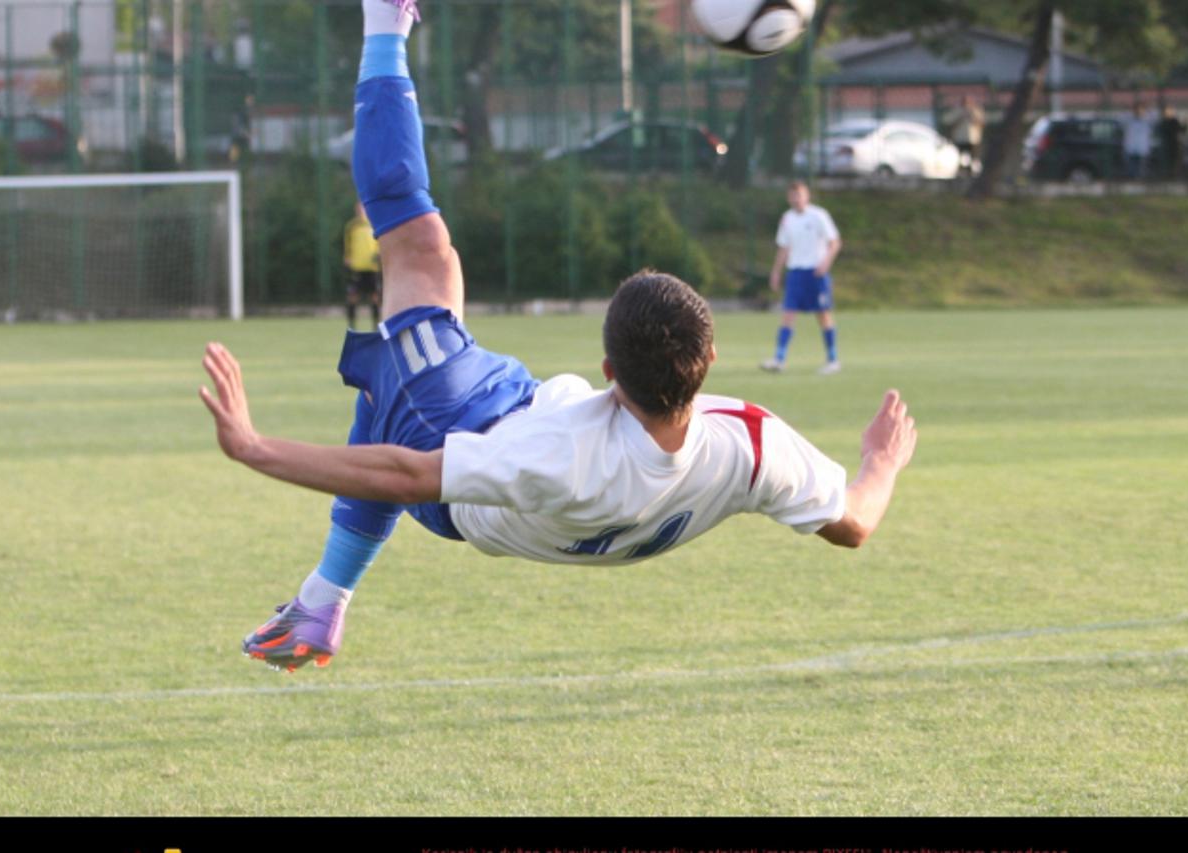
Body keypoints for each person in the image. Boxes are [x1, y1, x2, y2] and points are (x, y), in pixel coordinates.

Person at [199, 0, 918, 673]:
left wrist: (254, 447)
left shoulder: (565, 454)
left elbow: (408, 475)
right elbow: (854, 522)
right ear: (708, 360)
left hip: (468, 467)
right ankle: (321, 599)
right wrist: (880, 463)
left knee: (417, 252)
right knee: (412, 338)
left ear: (608, 369)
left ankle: (384, 18)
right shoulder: (753, 449)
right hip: (521, 413)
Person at [761, 181, 843, 375]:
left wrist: (825, 263)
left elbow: (835, 242)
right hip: (796, 273)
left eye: (799, 195)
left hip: (815, 273)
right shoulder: (787, 219)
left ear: (807, 196)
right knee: (788, 314)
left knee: (823, 315)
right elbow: (784, 247)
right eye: (792, 195)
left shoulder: (819, 215)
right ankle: (779, 359)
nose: (796, 199)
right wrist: (776, 271)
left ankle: (833, 360)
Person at [343, 202, 382, 329]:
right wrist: (347, 257)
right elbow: (347, 244)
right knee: (352, 297)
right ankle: (352, 326)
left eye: (363, 208)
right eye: (359, 209)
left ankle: (376, 326)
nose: (361, 211)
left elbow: (380, 242)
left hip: (372, 267)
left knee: (375, 297)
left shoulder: (375, 224)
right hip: (357, 267)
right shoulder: (351, 226)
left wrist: (379, 254)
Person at [945, 94, 985, 175]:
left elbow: (981, 122)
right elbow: (948, 121)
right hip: (960, 138)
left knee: (973, 157)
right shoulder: (957, 110)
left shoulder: (975, 110)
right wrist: (961, 117)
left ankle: (973, 172)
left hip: (973, 139)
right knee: (960, 157)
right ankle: (960, 172)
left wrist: (972, 117)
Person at [1155, 105, 1187, 181]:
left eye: (1169, 111)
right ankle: (1166, 176)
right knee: (1166, 162)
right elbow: (1161, 132)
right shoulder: (1162, 123)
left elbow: (1182, 130)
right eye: (1166, 112)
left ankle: (1174, 176)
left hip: (1175, 145)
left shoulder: (1175, 121)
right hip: (1166, 146)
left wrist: (1186, 123)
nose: (1168, 113)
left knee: (1176, 162)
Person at [1123, 102, 1154, 180]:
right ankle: (1132, 180)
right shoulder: (1129, 120)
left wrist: (1148, 111)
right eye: (1137, 109)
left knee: (1142, 170)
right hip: (1131, 148)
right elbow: (1122, 118)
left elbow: (1154, 117)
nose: (1138, 111)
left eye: (1141, 109)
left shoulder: (1147, 120)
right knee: (1131, 169)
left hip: (1142, 148)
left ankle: (1140, 180)